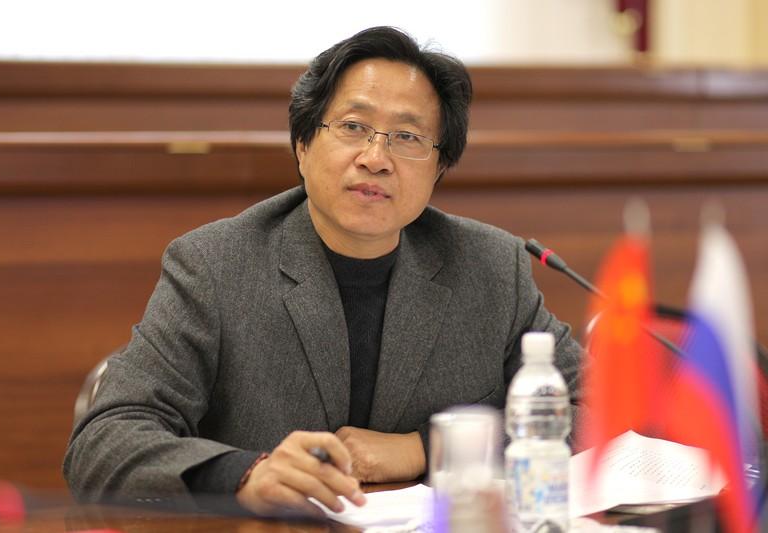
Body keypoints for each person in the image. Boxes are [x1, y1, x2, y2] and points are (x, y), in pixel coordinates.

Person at [64, 26, 583, 516]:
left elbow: (596, 407)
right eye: (354, 127)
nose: (376, 158)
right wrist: (245, 475)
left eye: (407, 137)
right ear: (303, 144)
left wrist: (424, 448)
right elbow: (103, 442)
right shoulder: (215, 266)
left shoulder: (492, 268)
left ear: (438, 168)